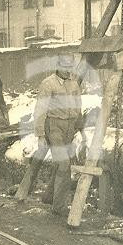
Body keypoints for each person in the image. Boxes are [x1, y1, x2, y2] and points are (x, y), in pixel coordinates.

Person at [32, 54, 84, 219]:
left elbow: (78, 106)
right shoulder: (48, 84)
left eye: (71, 67)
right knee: (63, 164)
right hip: (54, 126)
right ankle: (59, 207)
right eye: (65, 67)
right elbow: (40, 110)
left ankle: (48, 197)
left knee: (59, 164)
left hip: (69, 127)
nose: (68, 71)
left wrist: (80, 127)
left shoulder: (74, 84)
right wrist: (40, 134)